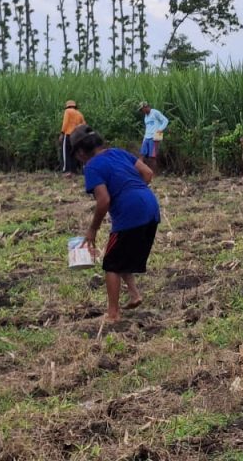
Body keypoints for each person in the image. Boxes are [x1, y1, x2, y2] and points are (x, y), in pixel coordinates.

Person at [70, 124, 160, 323]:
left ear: (81, 152)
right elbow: (147, 174)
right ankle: (134, 295)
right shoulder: (119, 153)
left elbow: (103, 201)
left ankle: (112, 314)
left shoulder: (92, 166)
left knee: (111, 263)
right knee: (121, 254)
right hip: (151, 206)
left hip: (131, 213)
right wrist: (132, 191)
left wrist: (92, 229)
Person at [139, 101, 169, 173]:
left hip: (156, 135)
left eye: (142, 109)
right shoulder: (146, 117)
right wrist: (144, 139)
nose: (142, 111)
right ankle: (142, 172)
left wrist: (160, 130)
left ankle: (153, 174)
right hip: (147, 136)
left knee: (152, 157)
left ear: (146, 107)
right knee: (142, 154)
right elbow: (147, 128)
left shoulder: (155, 112)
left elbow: (165, 120)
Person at [59, 100, 86, 177]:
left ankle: (66, 171)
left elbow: (65, 122)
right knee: (74, 154)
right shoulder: (79, 113)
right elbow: (84, 125)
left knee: (65, 153)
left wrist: (62, 133)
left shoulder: (67, 111)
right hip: (77, 136)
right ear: (75, 106)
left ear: (67, 106)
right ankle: (74, 171)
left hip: (68, 134)